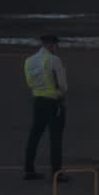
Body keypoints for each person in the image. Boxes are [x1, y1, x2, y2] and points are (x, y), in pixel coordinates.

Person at [23, 35, 68, 181]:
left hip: (37, 100)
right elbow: (62, 85)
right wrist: (60, 92)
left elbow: (30, 82)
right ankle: (57, 173)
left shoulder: (29, 61)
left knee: (34, 135)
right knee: (55, 138)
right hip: (53, 102)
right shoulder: (54, 60)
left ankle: (29, 170)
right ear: (52, 45)